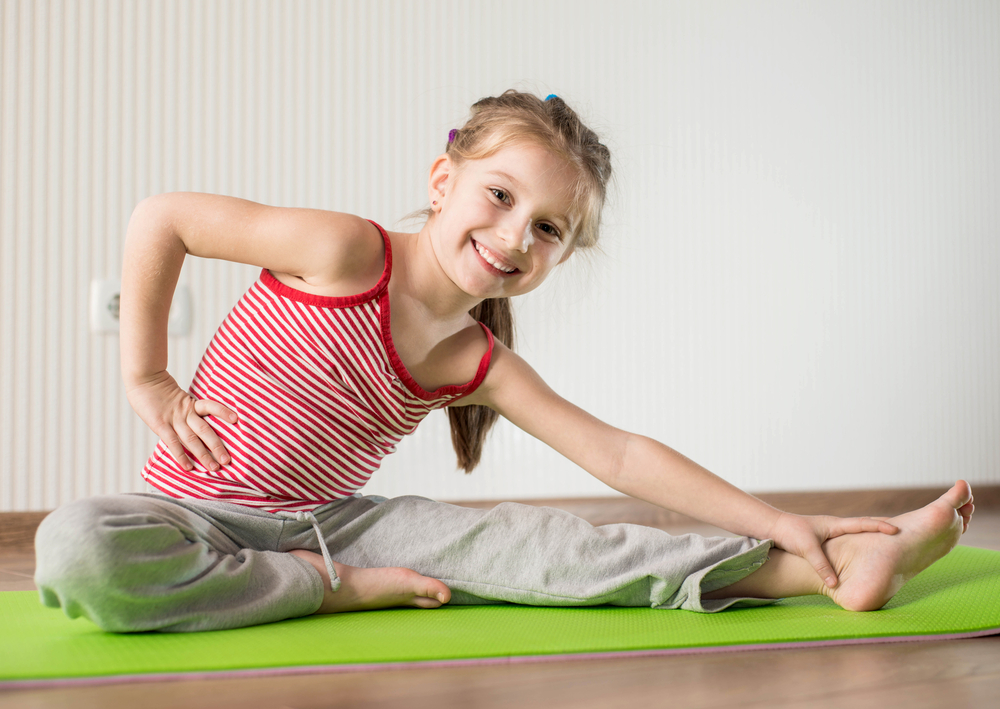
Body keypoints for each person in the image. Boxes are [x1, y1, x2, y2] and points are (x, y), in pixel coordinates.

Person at [34, 91, 974, 632]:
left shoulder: (469, 356)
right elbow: (161, 217)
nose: (513, 235)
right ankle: (329, 596)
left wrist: (785, 519)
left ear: (561, 256)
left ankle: (830, 564)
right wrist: (148, 376)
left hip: (335, 524)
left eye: (549, 228)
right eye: (498, 195)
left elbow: (620, 458)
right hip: (191, 513)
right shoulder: (340, 250)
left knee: (546, 543)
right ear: (443, 182)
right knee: (75, 545)